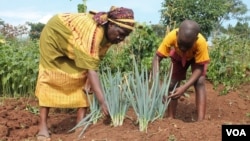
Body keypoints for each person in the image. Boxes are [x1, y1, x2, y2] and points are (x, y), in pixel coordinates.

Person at [35, 6, 135, 141]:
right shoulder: (94, 32)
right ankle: (42, 126)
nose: (121, 38)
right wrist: (103, 101)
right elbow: (92, 69)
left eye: (125, 36)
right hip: (55, 36)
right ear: (111, 24)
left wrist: (89, 80)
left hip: (76, 43)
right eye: (121, 33)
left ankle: (80, 123)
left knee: (84, 79)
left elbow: (95, 59)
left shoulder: (110, 37)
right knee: (50, 76)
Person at [152, 20, 210, 121]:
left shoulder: (201, 42)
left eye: (187, 46)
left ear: (195, 39)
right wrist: (157, 87)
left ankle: (201, 121)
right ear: (177, 34)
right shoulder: (171, 36)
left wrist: (184, 87)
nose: (183, 48)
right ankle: (171, 117)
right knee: (172, 83)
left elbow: (200, 68)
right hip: (178, 56)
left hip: (195, 58)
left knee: (199, 82)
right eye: (180, 44)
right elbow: (157, 58)